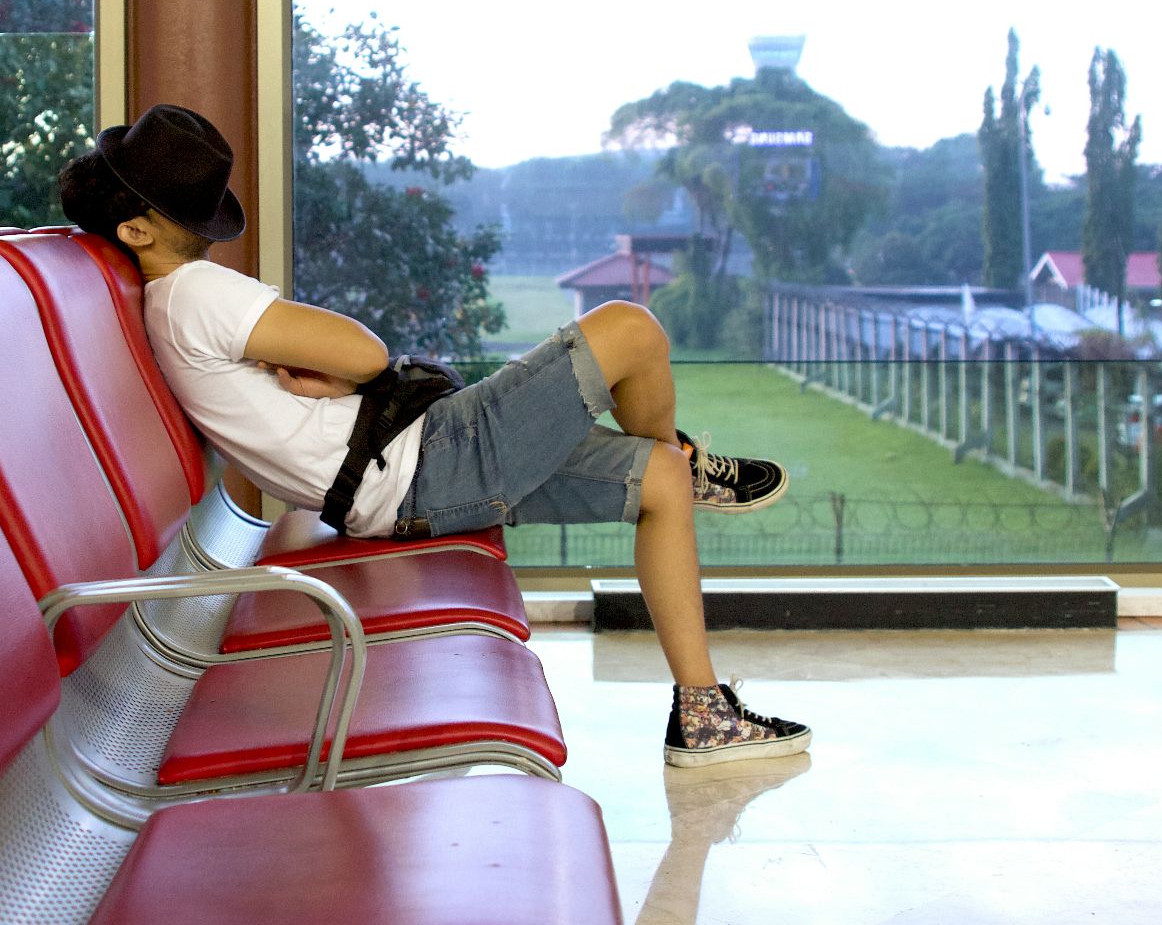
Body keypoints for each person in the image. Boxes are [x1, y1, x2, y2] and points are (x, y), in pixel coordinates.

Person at [61, 104, 810, 767]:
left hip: (407, 473)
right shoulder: (194, 291)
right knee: (631, 329)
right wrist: (348, 373)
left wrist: (334, 378)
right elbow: (363, 352)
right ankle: (690, 455)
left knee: (658, 482)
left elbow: (329, 379)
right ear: (137, 229)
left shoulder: (173, 309)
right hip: (423, 460)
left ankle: (703, 713)